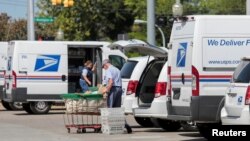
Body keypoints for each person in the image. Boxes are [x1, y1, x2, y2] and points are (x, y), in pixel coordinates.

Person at [102, 59, 132, 134]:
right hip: (119, 89)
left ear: (105, 65)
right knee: (117, 109)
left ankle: (110, 127)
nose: (104, 68)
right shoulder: (117, 69)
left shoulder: (109, 70)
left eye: (103, 67)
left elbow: (111, 81)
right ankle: (125, 124)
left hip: (113, 89)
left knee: (110, 108)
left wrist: (107, 90)